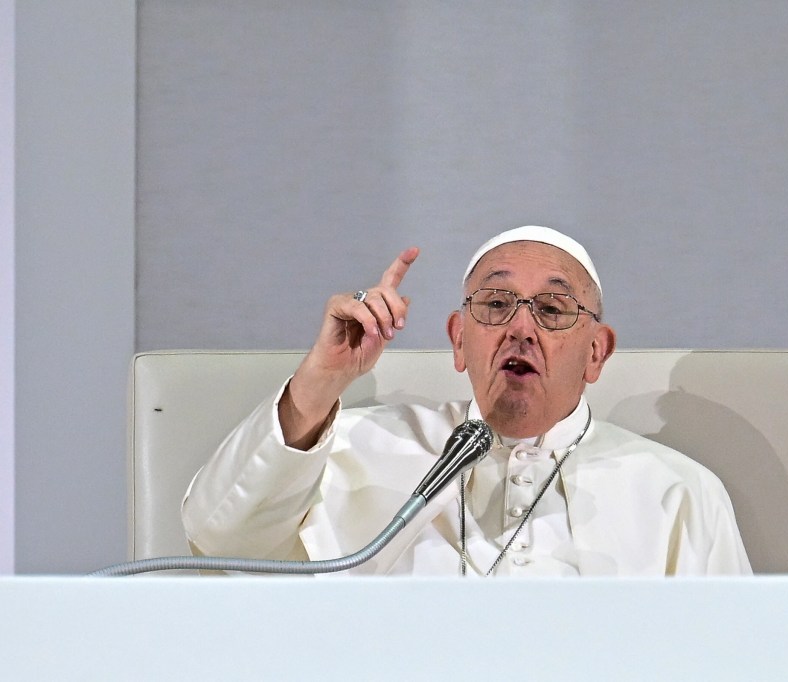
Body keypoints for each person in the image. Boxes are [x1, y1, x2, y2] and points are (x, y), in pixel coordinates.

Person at [182, 226, 751, 576]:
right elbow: (219, 541)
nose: (521, 328)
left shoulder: (678, 494)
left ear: (597, 353)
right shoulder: (360, 448)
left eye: (552, 311)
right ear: (459, 338)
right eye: (496, 304)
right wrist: (320, 379)